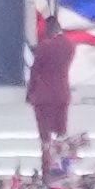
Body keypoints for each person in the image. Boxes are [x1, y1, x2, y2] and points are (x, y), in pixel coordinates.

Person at [24, 12, 76, 173]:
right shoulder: (70, 45)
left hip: (44, 95)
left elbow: (35, 70)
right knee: (61, 132)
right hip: (62, 93)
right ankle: (63, 169)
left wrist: (30, 92)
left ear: (49, 28)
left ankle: (46, 169)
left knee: (45, 137)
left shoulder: (45, 46)